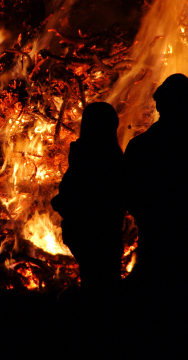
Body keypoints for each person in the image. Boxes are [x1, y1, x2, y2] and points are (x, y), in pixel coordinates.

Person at [123, 73, 188, 285]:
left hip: (159, 238)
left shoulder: (142, 146)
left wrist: (146, 218)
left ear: (161, 103)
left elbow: (128, 191)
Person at [51, 102, 125, 297]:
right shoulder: (114, 156)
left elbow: (75, 193)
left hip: (87, 233)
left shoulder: (86, 156)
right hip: (107, 233)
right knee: (106, 285)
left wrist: (61, 203)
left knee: (95, 284)